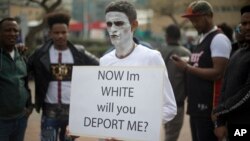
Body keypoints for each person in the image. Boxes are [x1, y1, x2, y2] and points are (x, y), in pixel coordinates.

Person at [100, 1, 177, 140]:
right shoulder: (104, 61)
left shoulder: (151, 57)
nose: (113, 29)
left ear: (134, 25)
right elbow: (103, 104)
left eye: (119, 23)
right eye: (109, 24)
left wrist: (137, 125)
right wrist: (79, 125)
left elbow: (169, 108)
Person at [28, 12, 99, 141]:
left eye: (63, 32)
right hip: (49, 112)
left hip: (72, 113)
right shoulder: (40, 53)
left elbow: (100, 65)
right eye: (56, 33)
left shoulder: (79, 52)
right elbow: (23, 70)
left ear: (68, 32)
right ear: (50, 33)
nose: (60, 36)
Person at [171, 1, 232, 141]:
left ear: (209, 16)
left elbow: (218, 72)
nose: (194, 23)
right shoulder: (202, 38)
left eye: (196, 19)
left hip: (210, 110)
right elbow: (200, 65)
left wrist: (186, 68)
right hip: (196, 108)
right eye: (192, 20)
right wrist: (186, 62)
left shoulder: (219, 39)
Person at [213, 5, 250, 141]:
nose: (247, 27)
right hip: (233, 126)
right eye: (244, 23)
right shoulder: (237, 54)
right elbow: (225, 87)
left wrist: (221, 109)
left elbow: (247, 92)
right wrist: (220, 122)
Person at [0, 17, 33, 141]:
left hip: (21, 119)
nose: (12, 33)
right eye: (7, 30)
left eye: (15, 30)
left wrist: (29, 108)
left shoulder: (21, 56)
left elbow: (25, 83)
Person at [160, 24, 191, 141]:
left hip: (159, 102)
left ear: (167, 36)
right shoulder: (186, 53)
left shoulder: (159, 52)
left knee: (167, 131)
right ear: (179, 36)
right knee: (171, 136)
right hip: (177, 104)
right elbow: (189, 78)